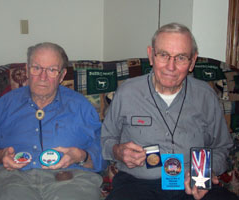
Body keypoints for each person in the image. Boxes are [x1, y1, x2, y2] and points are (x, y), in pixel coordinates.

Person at [101, 23, 238, 200]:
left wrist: (203, 173)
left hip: (191, 183)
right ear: (151, 55)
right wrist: (118, 151)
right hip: (137, 184)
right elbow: (105, 139)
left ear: (192, 61)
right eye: (164, 55)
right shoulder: (127, 92)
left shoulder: (205, 96)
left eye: (181, 57)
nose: (170, 67)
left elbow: (222, 147)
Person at [0, 42, 106, 200]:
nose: (43, 77)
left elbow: (103, 151)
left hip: (71, 179)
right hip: (14, 180)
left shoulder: (81, 106)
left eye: (51, 70)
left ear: (62, 75)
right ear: (27, 70)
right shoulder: (5, 104)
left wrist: (81, 156)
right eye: (36, 68)